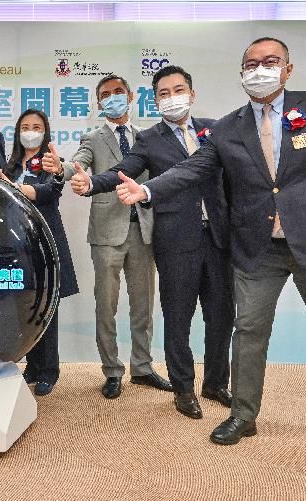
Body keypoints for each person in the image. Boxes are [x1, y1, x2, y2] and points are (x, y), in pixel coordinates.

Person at [115, 37, 306, 455]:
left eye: (270, 62)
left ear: (287, 69)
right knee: (249, 332)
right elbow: (192, 168)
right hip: (258, 249)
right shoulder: (227, 127)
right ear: (241, 74)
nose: (260, 70)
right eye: (251, 64)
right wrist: (145, 192)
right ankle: (243, 414)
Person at [62, 66, 234, 419]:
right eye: (165, 93)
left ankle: (216, 382)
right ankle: (184, 389)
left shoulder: (215, 129)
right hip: (175, 238)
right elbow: (122, 169)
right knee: (177, 317)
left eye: (179, 89)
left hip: (217, 237)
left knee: (221, 316)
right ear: (155, 101)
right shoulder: (150, 140)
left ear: (193, 93)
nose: (173, 98)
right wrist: (93, 184)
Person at [41, 74, 171, 400]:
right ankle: (112, 371)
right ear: (98, 103)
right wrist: (61, 169)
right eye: (105, 94)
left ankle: (142, 367)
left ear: (129, 96)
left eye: (117, 92)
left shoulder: (148, 136)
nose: (112, 97)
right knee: (106, 307)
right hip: (106, 233)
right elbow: (78, 165)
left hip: (143, 230)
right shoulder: (93, 137)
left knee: (143, 306)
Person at [0, 109, 79, 396]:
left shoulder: (50, 161)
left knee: (47, 308)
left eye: (37, 127)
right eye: (25, 127)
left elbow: (49, 193)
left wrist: (18, 188)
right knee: (25, 306)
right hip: (18, 245)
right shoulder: (10, 164)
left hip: (45, 240)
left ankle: (49, 370)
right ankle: (31, 365)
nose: (30, 131)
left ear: (45, 132)